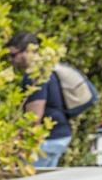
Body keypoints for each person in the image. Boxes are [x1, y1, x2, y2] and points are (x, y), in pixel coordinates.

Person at [7, 31, 72, 168]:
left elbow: (34, 116)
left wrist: (21, 145)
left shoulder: (34, 75)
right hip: (60, 135)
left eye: (13, 55)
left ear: (28, 52)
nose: (11, 60)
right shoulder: (46, 70)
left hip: (48, 140)